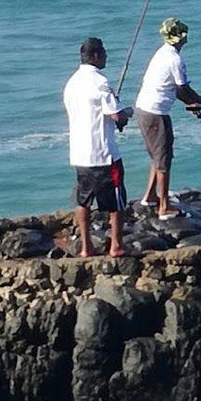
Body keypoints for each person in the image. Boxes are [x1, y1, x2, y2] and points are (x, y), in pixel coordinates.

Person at [134, 17, 201, 217]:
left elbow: (178, 92)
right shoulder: (175, 59)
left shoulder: (162, 53)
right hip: (156, 114)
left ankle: (150, 197)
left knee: (157, 155)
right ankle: (164, 207)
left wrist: (193, 104)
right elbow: (183, 88)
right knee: (163, 159)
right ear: (181, 38)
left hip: (144, 110)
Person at [62, 35, 131, 258]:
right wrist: (125, 114)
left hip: (80, 154)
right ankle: (116, 245)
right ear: (95, 56)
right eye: (104, 53)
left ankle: (86, 247)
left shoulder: (71, 83)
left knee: (84, 200)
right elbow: (116, 116)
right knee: (116, 201)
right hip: (104, 153)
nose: (106, 56)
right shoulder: (100, 83)